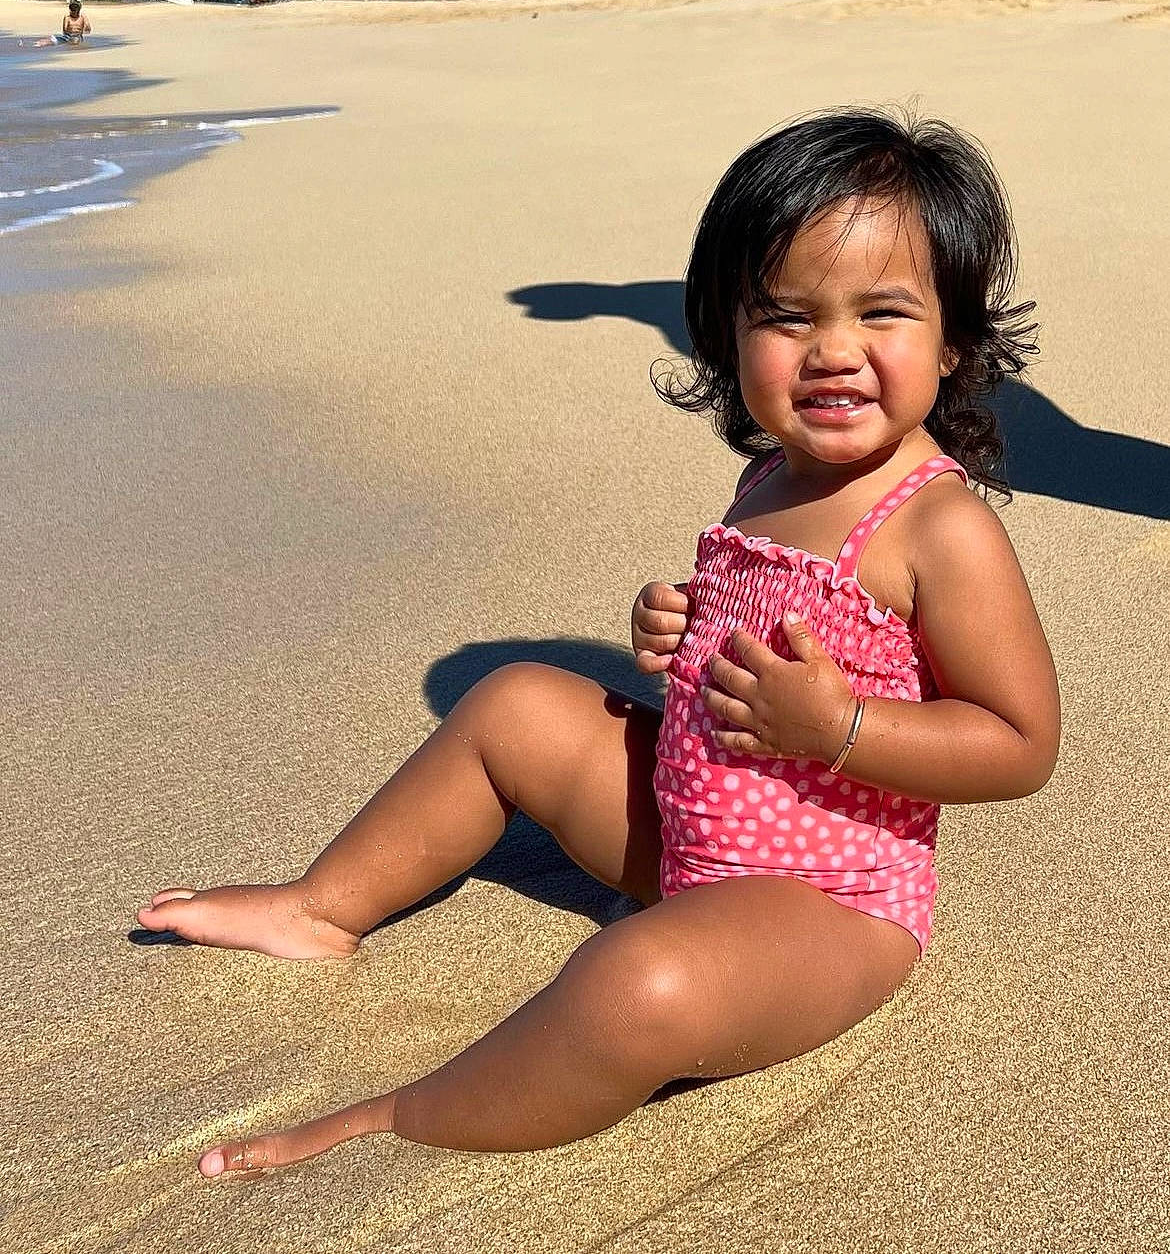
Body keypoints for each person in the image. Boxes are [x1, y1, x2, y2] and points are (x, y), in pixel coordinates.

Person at [136, 107, 1061, 1179]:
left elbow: (1019, 741)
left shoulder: (939, 526)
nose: (833, 350)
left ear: (953, 340)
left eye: (882, 312)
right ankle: (319, 907)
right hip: (686, 829)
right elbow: (760, 623)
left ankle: (408, 1112)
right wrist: (680, 624)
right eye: (786, 315)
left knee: (640, 983)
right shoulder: (772, 474)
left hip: (827, 905)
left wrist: (840, 725)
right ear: (725, 332)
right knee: (516, 702)